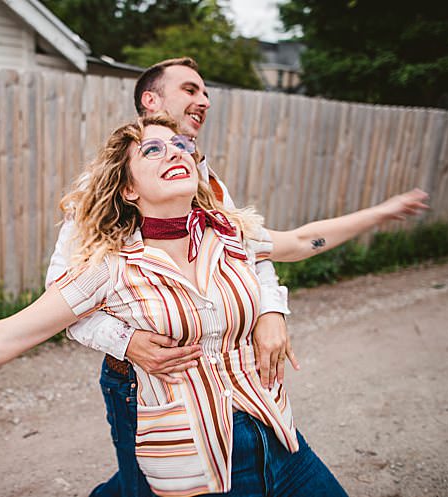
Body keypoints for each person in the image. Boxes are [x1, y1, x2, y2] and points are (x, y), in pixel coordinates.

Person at [0, 115, 430, 497]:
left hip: (280, 439)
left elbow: (301, 241)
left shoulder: (227, 233)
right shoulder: (109, 266)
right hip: (197, 466)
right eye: (152, 151)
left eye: (181, 148)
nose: (175, 153)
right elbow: (5, 337)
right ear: (128, 189)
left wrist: (381, 212)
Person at [49, 57, 420, 497]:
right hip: (143, 376)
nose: (204, 100)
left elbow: (246, 246)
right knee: (147, 484)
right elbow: (62, 290)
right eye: (190, 90)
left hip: (227, 368)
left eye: (205, 92)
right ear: (151, 100)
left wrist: (270, 310)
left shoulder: (202, 178)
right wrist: (126, 342)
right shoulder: (107, 184)